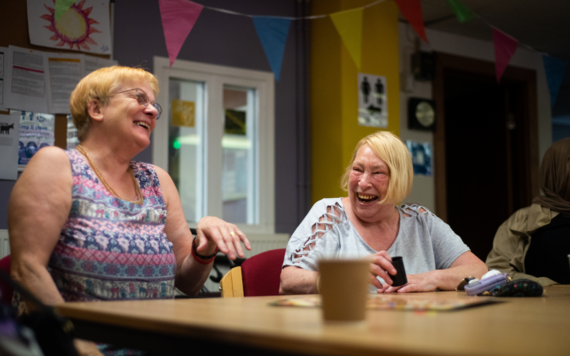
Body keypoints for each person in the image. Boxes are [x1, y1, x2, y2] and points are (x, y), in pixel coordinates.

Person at [8, 66, 251, 355]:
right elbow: (27, 270)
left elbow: (188, 284)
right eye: (139, 98)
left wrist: (206, 246)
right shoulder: (57, 165)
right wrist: (80, 346)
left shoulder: (157, 180)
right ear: (96, 108)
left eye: (154, 105)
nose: (152, 111)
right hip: (74, 346)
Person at [279, 131, 487, 294]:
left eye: (377, 172)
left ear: (399, 179)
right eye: (357, 169)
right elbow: (287, 281)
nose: (363, 182)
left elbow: (479, 271)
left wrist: (427, 279)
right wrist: (343, 275)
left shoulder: (421, 220)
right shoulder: (329, 214)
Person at [486, 138, 570, 286]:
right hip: (542, 305)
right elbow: (497, 271)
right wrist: (550, 286)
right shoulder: (523, 220)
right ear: (557, 172)